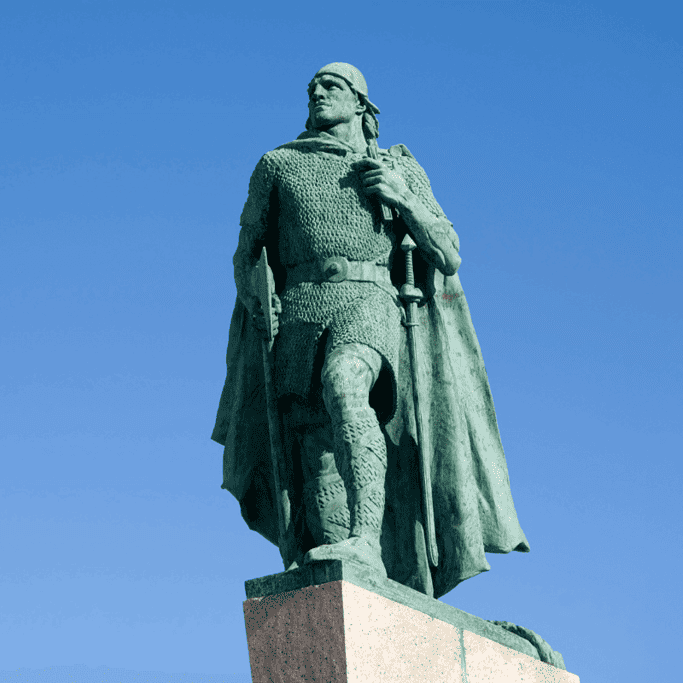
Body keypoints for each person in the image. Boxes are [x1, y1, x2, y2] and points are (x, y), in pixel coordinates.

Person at [213, 63, 530, 599]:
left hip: (370, 298)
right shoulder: (278, 165)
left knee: (345, 384)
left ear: (361, 103)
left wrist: (402, 196)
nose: (317, 93)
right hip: (301, 308)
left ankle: (366, 538)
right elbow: (246, 252)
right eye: (312, 87)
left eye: (330, 86)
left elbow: (448, 253)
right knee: (316, 449)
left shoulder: (395, 165)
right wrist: (255, 296)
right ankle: (341, 566)